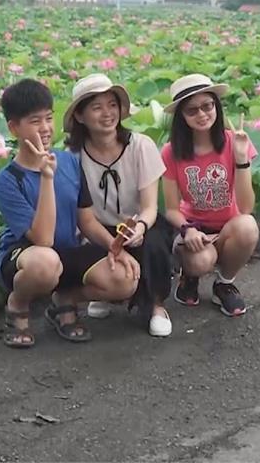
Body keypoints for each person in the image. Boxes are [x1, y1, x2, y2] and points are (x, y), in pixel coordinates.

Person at [0, 78, 141, 348]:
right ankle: (18, 303)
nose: (46, 128)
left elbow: (85, 220)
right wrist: (47, 178)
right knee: (46, 262)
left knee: (124, 277)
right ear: (14, 127)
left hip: (66, 252)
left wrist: (114, 247)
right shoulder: (7, 180)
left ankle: (65, 300)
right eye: (35, 121)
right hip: (25, 257)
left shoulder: (70, 161)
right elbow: (43, 239)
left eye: (48, 118)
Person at [63, 73, 176, 337]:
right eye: (97, 107)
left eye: (112, 105)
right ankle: (101, 294)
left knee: (154, 240)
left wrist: (139, 227)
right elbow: (85, 219)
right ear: (80, 116)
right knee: (83, 248)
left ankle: (157, 306)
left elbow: (149, 207)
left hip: (137, 222)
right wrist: (111, 244)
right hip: (97, 228)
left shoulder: (141, 146)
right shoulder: (72, 158)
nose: (107, 113)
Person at [160, 74, 260, 317]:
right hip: (193, 228)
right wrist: (188, 230)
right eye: (192, 110)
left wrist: (240, 158)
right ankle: (189, 278)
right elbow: (171, 209)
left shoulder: (234, 142)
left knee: (248, 226)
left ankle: (224, 284)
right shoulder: (170, 152)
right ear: (182, 117)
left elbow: (246, 207)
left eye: (208, 106)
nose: (202, 114)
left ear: (217, 106)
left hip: (229, 228)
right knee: (201, 261)